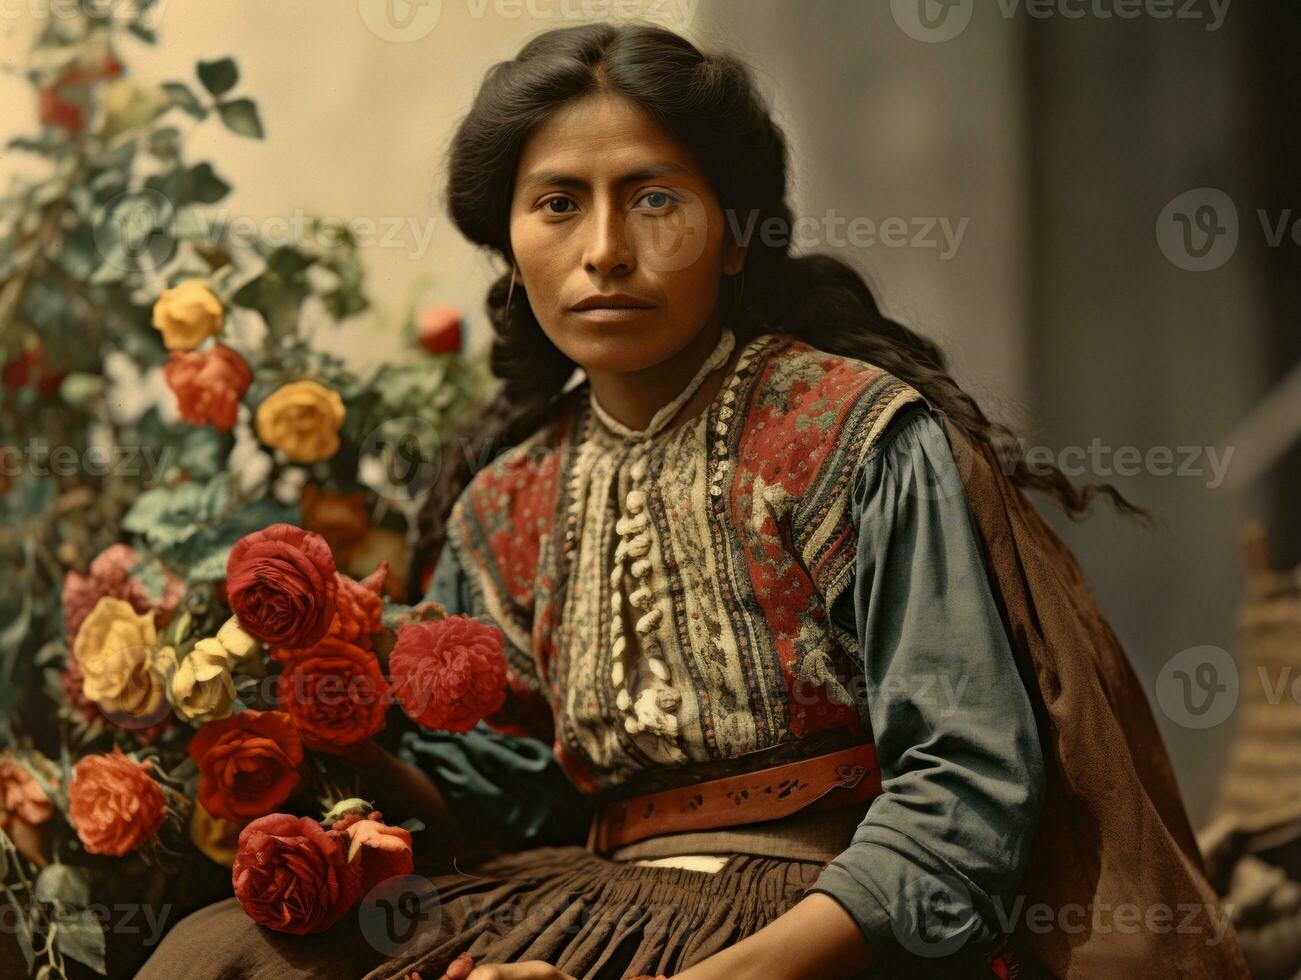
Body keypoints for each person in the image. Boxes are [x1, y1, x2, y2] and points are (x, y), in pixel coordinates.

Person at [139, 21, 1248, 980]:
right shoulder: (503, 503)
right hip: (583, 902)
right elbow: (509, 799)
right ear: (512, 244)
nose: (606, 250)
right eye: (558, 205)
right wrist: (332, 727)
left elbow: (963, 785)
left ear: (731, 233)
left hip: (822, 921)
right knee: (215, 951)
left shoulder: (850, 434)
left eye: (655, 200)